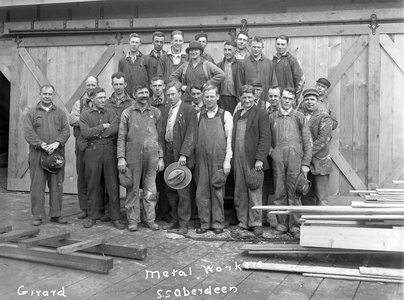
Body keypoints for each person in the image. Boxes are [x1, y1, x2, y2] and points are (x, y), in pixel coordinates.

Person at [117, 84, 164, 231]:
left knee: (150, 188)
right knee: (133, 189)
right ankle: (133, 220)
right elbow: (121, 136)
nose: (144, 95)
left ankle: (150, 219)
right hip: (133, 155)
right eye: (140, 93)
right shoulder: (127, 113)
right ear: (134, 94)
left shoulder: (156, 112)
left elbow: (160, 137)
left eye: (145, 92)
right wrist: (121, 157)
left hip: (152, 155)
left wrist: (161, 157)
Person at [268, 87, 312, 239]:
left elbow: (307, 141)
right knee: (279, 192)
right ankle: (282, 224)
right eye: (284, 98)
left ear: (294, 101)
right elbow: (267, 139)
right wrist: (272, 152)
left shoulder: (299, 117)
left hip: (295, 158)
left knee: (294, 193)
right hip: (278, 159)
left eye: (290, 99)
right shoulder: (273, 117)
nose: (286, 101)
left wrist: (305, 163)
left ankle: (295, 226)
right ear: (281, 98)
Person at [24, 84, 70, 226]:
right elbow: (28, 133)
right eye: (45, 94)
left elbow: (66, 131)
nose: (47, 96)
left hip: (56, 154)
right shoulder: (31, 113)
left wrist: (56, 143)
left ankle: (56, 214)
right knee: (37, 185)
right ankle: (37, 215)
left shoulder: (60, 113)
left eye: (50, 94)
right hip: (37, 154)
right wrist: (42, 144)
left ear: (53, 95)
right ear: (40, 95)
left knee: (57, 185)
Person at [79, 87, 124, 229]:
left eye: (104, 97)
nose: (103, 100)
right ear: (92, 99)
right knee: (92, 184)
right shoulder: (85, 115)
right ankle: (93, 216)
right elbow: (85, 133)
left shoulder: (111, 112)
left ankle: (115, 217)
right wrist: (102, 127)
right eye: (100, 98)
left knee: (112, 185)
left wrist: (98, 133)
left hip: (110, 150)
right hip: (93, 151)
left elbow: (114, 128)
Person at [232, 85, 271, 236]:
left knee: (254, 190)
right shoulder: (237, 115)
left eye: (249, 97)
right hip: (238, 158)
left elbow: (266, 138)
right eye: (244, 97)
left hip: (253, 159)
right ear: (240, 98)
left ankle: (256, 222)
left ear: (255, 98)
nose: (247, 100)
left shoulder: (261, 114)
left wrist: (260, 158)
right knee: (240, 190)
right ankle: (243, 221)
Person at [194, 85, 233, 234]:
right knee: (201, 191)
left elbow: (229, 140)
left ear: (217, 97)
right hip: (201, 159)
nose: (209, 99)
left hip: (218, 158)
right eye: (207, 97)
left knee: (217, 191)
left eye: (212, 96)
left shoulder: (225, 115)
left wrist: (227, 161)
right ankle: (204, 223)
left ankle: (217, 223)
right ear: (203, 98)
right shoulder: (198, 116)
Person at [162, 82, 198, 234]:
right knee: (170, 188)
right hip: (169, 152)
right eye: (168, 94)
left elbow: (192, 133)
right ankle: (175, 218)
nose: (170, 97)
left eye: (173, 94)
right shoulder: (166, 110)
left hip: (181, 155)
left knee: (182, 190)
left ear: (180, 94)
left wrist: (184, 154)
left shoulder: (189, 110)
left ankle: (184, 223)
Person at [101, 72, 133, 223]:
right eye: (116, 84)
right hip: (110, 144)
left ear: (125, 85)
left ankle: (131, 212)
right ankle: (111, 211)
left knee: (128, 179)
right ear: (112, 85)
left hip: (128, 145)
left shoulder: (132, 103)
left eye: (121, 84)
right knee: (110, 179)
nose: (119, 87)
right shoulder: (106, 103)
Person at [69, 75, 98, 219]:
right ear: (85, 87)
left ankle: (97, 208)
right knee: (82, 177)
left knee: (96, 176)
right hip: (81, 145)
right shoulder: (79, 104)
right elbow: (72, 119)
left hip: (97, 145)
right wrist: (88, 121)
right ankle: (84, 208)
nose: (91, 88)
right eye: (89, 85)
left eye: (93, 85)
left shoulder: (100, 101)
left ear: (97, 86)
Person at [299, 89, 333, 206]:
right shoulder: (299, 116)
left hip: (320, 162)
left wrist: (305, 156)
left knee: (322, 198)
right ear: (303, 101)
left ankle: (322, 223)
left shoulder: (324, 117)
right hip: (303, 163)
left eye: (312, 99)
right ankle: (307, 223)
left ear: (317, 101)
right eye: (307, 99)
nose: (309, 102)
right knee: (306, 196)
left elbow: (321, 141)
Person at [148, 76, 171, 222]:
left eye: (160, 85)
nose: (157, 88)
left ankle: (165, 212)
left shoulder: (169, 104)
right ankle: (150, 214)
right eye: (154, 85)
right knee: (150, 181)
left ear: (164, 87)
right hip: (150, 146)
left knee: (165, 181)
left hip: (166, 146)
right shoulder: (147, 103)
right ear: (151, 87)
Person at [237, 36, 278, 103]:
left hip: (265, 100)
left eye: (258, 47)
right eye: (254, 47)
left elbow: (273, 84)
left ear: (262, 47)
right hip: (248, 101)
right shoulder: (243, 63)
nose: (256, 49)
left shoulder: (269, 63)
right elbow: (240, 84)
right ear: (250, 46)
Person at [272, 35, 305, 103]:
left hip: (288, 99)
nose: (280, 47)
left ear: (287, 45)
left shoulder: (293, 61)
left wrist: (295, 97)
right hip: (275, 98)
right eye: (278, 44)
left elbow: (300, 81)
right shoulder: (272, 61)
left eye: (283, 44)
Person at [217, 40, 240, 114]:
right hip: (221, 98)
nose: (227, 52)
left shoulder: (240, 65)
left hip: (235, 98)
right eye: (225, 50)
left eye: (230, 50)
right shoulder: (219, 66)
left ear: (235, 51)